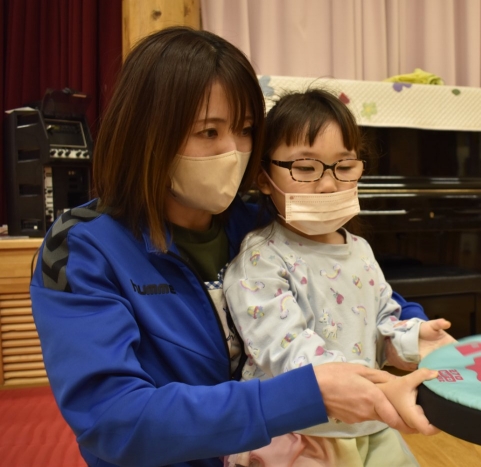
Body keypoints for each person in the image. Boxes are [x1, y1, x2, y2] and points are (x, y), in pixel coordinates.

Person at [29, 27, 441, 467]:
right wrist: (304, 395)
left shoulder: (260, 221)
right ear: (147, 133)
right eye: (209, 132)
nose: (235, 151)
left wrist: (414, 328)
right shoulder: (82, 245)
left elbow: (354, 290)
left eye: (245, 130)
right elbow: (114, 421)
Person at [222, 89, 456, 466]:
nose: (329, 184)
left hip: (368, 423)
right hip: (298, 433)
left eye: (344, 168)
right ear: (264, 178)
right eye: (306, 168)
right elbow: (286, 349)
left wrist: (413, 338)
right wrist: (380, 387)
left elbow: (383, 321)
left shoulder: (360, 249)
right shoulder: (261, 258)